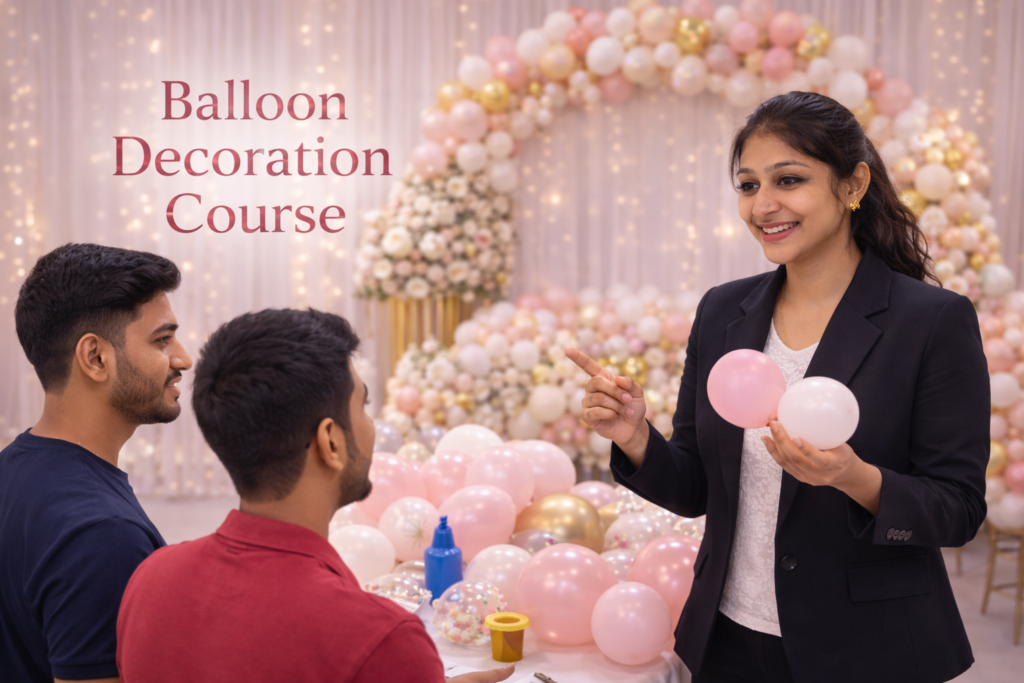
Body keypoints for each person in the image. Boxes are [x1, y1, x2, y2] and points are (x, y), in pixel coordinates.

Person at [567, 91, 989, 683]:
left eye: (789, 180)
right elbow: (696, 487)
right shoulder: (722, 312)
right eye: (748, 185)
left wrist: (853, 477)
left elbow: (958, 510)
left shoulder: (932, 321)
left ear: (853, 184)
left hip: (868, 649)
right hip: (728, 641)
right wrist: (635, 437)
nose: (763, 205)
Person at [116, 308, 513, 683]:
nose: (372, 426)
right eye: (363, 405)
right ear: (331, 442)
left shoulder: (151, 580)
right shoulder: (382, 639)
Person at [1, 243, 191, 683]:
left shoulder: (9, 470)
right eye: (162, 340)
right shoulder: (102, 534)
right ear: (95, 358)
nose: (183, 358)